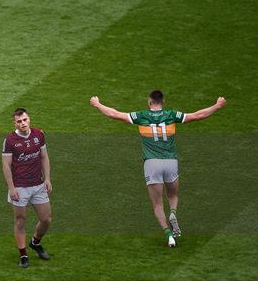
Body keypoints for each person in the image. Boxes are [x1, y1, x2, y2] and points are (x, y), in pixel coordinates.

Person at [90, 91, 226, 247]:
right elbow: (197, 115)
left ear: (149, 102)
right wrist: (217, 105)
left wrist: (97, 104)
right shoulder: (171, 114)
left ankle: (169, 235)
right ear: (163, 101)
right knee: (173, 196)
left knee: (157, 205)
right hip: (170, 162)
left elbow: (114, 114)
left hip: (152, 164)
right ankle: (173, 213)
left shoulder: (141, 116)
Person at [2, 108, 52, 268]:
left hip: (38, 185)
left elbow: (44, 157)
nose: (23, 123)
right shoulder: (9, 140)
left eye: (25, 120)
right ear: (14, 123)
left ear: (29, 119)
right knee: (20, 221)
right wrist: (11, 188)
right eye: (19, 121)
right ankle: (23, 255)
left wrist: (48, 179)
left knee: (46, 219)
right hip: (20, 187)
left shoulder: (39, 135)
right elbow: (6, 166)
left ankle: (35, 242)